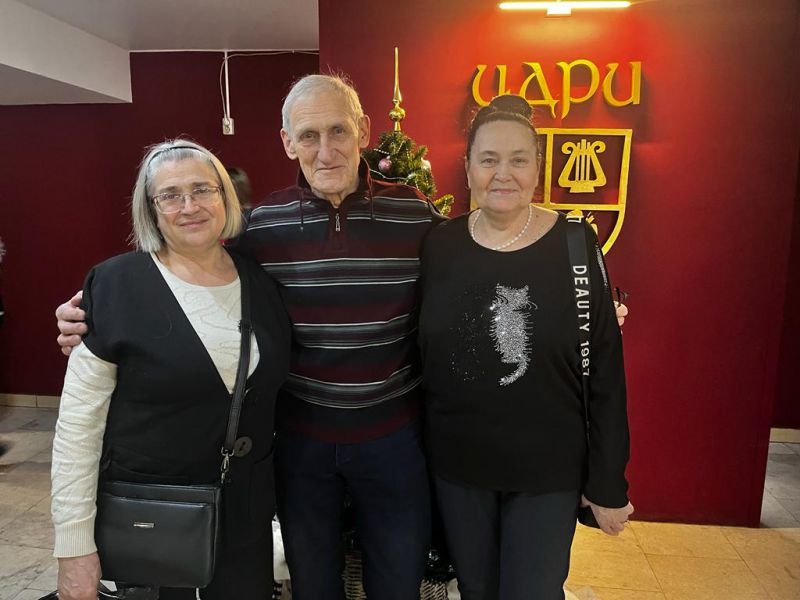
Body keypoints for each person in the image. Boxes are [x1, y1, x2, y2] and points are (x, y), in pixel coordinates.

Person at [55, 76, 630, 600]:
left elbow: (479, 268)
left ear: (364, 132)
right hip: (301, 445)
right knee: (314, 586)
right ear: (287, 142)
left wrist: (577, 310)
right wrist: (95, 313)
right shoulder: (261, 228)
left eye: (338, 131)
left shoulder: (415, 216)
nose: (325, 150)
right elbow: (198, 281)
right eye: (308, 135)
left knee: (398, 584)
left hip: (395, 441)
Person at [51, 140, 291, 600]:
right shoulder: (116, 284)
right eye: (170, 195)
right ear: (151, 209)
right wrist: (74, 546)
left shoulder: (261, 282)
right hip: (152, 520)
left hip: (245, 519)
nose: (189, 206)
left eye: (202, 189)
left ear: (225, 196)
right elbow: (78, 429)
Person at [417, 95, 633, 600]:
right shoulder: (439, 245)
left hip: (548, 471)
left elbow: (605, 370)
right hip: (458, 468)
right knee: (474, 590)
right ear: (468, 167)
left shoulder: (575, 244)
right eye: (488, 159)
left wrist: (607, 481)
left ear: (538, 167)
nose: (503, 174)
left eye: (518, 159)